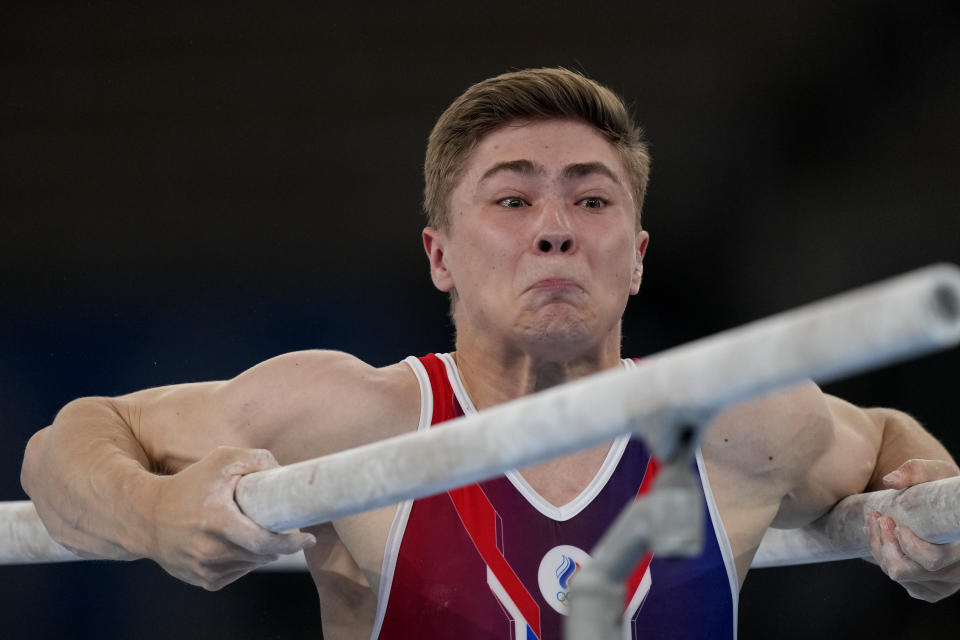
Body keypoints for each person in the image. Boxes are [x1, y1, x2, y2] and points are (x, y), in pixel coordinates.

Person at [20, 68, 960, 639]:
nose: (555, 229)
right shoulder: (353, 423)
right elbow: (69, 443)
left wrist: (927, 512)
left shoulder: (739, 429)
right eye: (512, 200)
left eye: (592, 201)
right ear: (440, 256)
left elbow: (881, 440)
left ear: (636, 259)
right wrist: (152, 512)